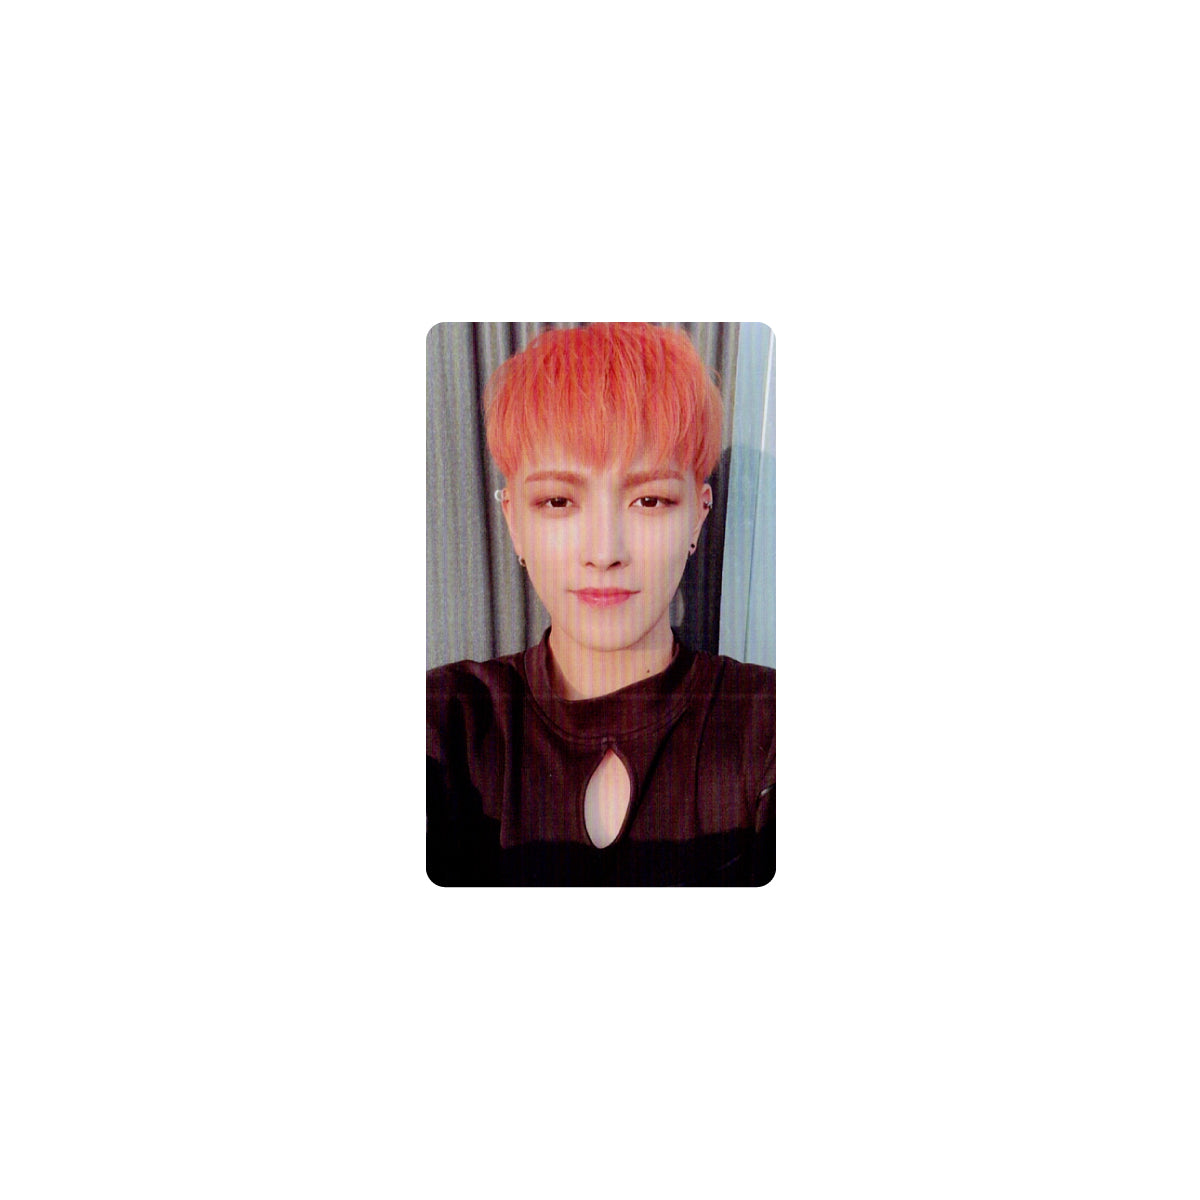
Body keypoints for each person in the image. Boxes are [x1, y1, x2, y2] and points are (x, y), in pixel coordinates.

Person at [426, 323, 775, 886]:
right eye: (558, 501)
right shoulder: (446, 720)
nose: (604, 552)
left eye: (650, 499)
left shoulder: (768, 722)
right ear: (514, 521)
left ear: (699, 515)